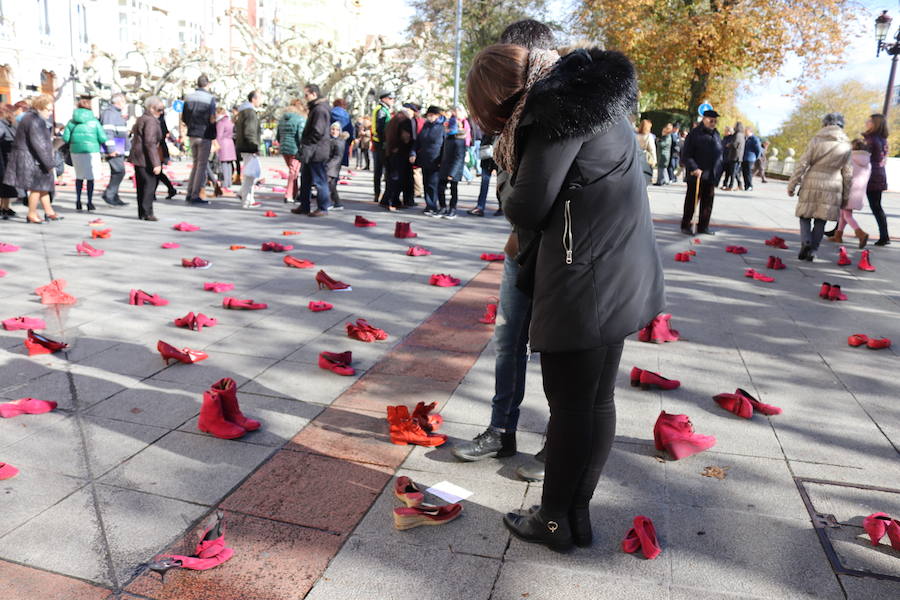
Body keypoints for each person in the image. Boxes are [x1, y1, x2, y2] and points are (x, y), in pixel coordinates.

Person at [468, 42, 664, 552]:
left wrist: (506, 173)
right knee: (595, 402)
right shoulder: (596, 100)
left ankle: (554, 519)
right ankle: (573, 514)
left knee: (573, 406)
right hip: (617, 269)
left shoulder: (558, 110)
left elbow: (527, 205)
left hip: (586, 276)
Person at [451, 19, 556, 480]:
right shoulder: (513, 121)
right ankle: (501, 430)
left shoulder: (560, 112)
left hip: (560, 255)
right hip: (521, 247)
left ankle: (561, 440)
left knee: (557, 348)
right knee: (507, 339)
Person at [787, 113, 852, 261]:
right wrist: (846, 195)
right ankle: (813, 250)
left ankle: (806, 241)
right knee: (821, 220)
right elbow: (848, 173)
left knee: (804, 216)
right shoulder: (846, 145)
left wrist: (792, 184)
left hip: (811, 181)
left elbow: (802, 163)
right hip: (833, 184)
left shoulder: (816, 140)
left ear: (825, 124)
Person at [3, 94, 61, 223]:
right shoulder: (34, 120)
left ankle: (49, 212)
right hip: (32, 159)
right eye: (48, 110)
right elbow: (39, 144)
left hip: (31, 157)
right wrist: (49, 163)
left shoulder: (31, 117)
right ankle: (32, 214)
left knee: (42, 186)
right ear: (40, 107)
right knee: (37, 187)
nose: (50, 113)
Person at [680, 110, 724, 235]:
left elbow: (719, 153)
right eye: (711, 120)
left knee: (708, 202)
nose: (713, 123)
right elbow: (686, 155)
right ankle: (686, 225)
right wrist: (694, 168)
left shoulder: (716, 134)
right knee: (691, 202)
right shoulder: (694, 134)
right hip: (696, 175)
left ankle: (703, 226)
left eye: (715, 121)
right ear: (704, 119)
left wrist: (719, 170)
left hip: (711, 175)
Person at [63, 95, 109, 211]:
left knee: (79, 177)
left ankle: (78, 201)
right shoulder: (94, 122)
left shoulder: (71, 122)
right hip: (91, 151)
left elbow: (66, 138)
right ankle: (89, 202)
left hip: (76, 152)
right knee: (90, 177)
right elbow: (103, 138)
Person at [293, 83, 332, 217]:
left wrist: (307, 143)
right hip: (311, 149)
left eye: (306, 95)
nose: (305, 98)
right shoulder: (316, 108)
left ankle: (323, 207)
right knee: (306, 179)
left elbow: (318, 131)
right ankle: (304, 205)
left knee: (320, 180)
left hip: (317, 150)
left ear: (314, 94)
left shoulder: (320, 109)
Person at [127, 96, 165, 221]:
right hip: (145, 157)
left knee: (141, 185)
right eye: (159, 109)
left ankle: (142, 212)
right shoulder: (150, 121)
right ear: (151, 108)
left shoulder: (142, 118)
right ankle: (147, 212)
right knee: (149, 184)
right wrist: (156, 163)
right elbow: (150, 142)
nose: (161, 112)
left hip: (138, 156)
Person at [828, 138, 870, 247]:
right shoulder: (868, 162)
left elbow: (843, 173)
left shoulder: (850, 158)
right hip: (859, 192)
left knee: (846, 214)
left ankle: (860, 233)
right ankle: (838, 235)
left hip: (848, 190)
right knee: (844, 214)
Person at [181, 74, 216, 205]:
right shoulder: (210, 98)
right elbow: (212, 118)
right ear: (207, 84)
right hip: (204, 134)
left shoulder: (189, 97)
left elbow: (184, 117)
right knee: (201, 165)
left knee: (196, 164)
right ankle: (195, 194)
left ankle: (190, 192)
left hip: (192, 134)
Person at [412, 105, 444, 216]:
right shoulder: (426, 126)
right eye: (428, 115)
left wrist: (442, 160)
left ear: (437, 116)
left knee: (433, 184)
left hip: (436, 159)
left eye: (432, 115)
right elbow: (418, 141)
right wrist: (413, 152)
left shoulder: (441, 127)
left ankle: (433, 206)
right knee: (426, 182)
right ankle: (429, 204)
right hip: (425, 158)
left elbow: (444, 145)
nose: (429, 117)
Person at [864, 114, 890, 245]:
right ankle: (885, 236)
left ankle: (884, 236)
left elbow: (863, 156)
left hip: (869, 175)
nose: (866, 122)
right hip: (879, 174)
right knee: (877, 206)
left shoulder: (871, 139)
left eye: (869, 121)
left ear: (875, 124)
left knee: (848, 202)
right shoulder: (883, 139)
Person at [381, 107, 414, 211]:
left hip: (389, 152)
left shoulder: (392, 121)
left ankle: (386, 200)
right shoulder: (405, 121)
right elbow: (406, 137)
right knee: (398, 178)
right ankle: (393, 201)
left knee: (391, 177)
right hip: (401, 152)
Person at [436, 108, 467, 219]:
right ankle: (442, 207)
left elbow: (459, 158)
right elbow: (442, 152)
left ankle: (452, 209)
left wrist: (452, 173)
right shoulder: (447, 139)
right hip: (444, 167)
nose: (447, 129)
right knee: (440, 188)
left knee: (453, 190)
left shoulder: (459, 141)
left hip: (454, 170)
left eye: (448, 127)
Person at [100, 93, 129, 206]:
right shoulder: (109, 113)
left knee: (117, 172)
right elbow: (108, 132)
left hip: (119, 147)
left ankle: (114, 195)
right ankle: (109, 194)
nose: (125, 104)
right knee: (119, 171)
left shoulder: (116, 113)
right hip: (114, 147)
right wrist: (111, 148)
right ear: (119, 102)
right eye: (124, 101)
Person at [234, 90, 262, 209]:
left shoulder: (244, 111)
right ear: (254, 99)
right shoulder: (250, 113)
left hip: (244, 146)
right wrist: (254, 146)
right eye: (260, 98)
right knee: (251, 175)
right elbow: (250, 131)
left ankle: (243, 194)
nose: (261, 101)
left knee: (250, 173)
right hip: (248, 146)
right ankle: (247, 200)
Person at [276, 100, 305, 203]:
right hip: (295, 149)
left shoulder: (282, 119)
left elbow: (278, 136)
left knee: (293, 171)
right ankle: (288, 195)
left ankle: (294, 193)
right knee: (294, 172)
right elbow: (301, 136)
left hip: (284, 148)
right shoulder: (300, 119)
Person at [371, 91, 394, 201]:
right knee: (381, 170)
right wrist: (385, 141)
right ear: (384, 99)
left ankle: (378, 193)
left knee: (379, 171)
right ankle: (378, 194)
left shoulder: (383, 109)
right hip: (381, 144)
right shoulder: (381, 110)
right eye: (390, 98)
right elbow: (380, 128)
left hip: (379, 143)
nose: (392, 100)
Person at [469, 132, 498, 216]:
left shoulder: (497, 131)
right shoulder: (487, 131)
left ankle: (500, 207)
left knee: (498, 185)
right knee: (484, 185)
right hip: (486, 161)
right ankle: (480, 207)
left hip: (494, 161)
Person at [326, 122, 349, 211]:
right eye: (332, 129)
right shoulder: (331, 140)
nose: (334, 131)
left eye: (337, 130)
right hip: (330, 166)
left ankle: (328, 203)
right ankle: (337, 203)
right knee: (331, 185)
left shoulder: (339, 141)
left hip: (333, 167)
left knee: (328, 185)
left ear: (340, 131)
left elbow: (337, 157)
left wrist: (328, 166)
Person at [0, 104, 18, 219]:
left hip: (7, 156)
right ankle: (4, 207)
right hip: (4, 155)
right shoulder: (5, 123)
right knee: (4, 182)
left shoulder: (9, 123)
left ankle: (5, 207)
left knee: (6, 183)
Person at [215, 106, 237, 197]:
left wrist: (216, 146)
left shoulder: (220, 123)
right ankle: (229, 182)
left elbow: (219, 135)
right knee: (229, 164)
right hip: (230, 143)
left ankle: (225, 182)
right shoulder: (230, 121)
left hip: (223, 143)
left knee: (224, 164)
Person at [157, 109, 178, 199]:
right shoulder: (160, 120)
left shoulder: (159, 120)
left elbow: (162, 134)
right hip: (160, 148)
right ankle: (171, 189)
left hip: (159, 149)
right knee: (158, 172)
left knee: (156, 172)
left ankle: (170, 189)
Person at [330, 98, 354, 167]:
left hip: (330, 141)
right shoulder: (346, 115)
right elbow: (350, 130)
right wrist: (349, 142)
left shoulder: (330, 112)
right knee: (338, 163)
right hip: (342, 142)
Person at [723, 122, 745, 190]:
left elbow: (735, 144)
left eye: (735, 125)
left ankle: (731, 186)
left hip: (735, 156)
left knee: (733, 172)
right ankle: (739, 184)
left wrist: (729, 144)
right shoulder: (741, 135)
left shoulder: (737, 135)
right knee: (734, 172)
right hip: (738, 156)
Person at [742, 127, 762, 191]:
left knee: (748, 173)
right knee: (744, 172)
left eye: (746, 131)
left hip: (750, 158)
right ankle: (746, 185)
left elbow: (758, 149)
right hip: (744, 158)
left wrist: (756, 157)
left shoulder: (754, 139)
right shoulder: (746, 138)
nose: (745, 132)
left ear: (750, 131)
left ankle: (750, 185)